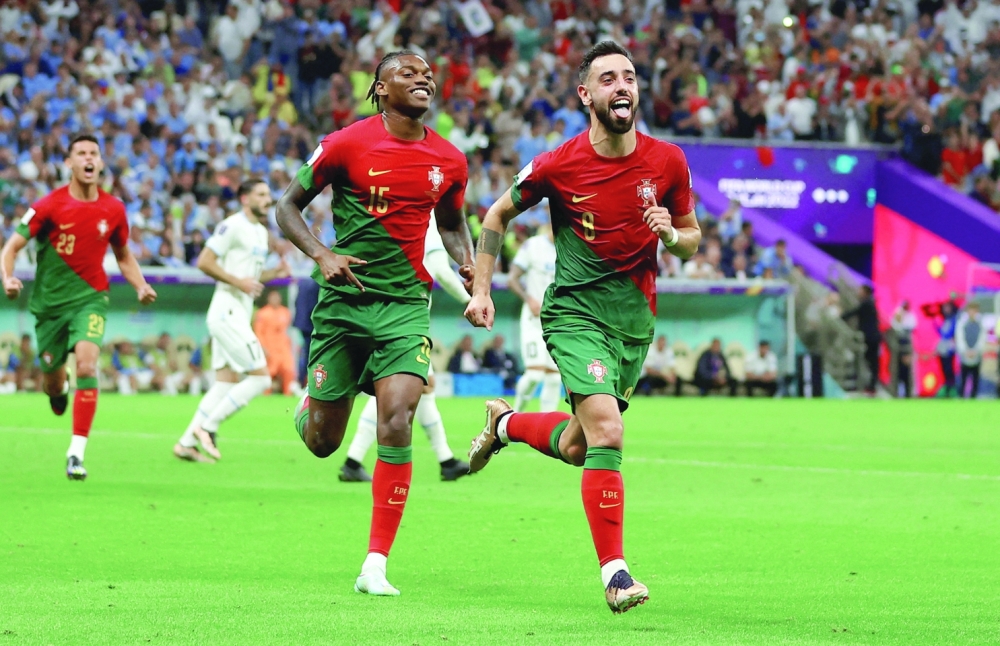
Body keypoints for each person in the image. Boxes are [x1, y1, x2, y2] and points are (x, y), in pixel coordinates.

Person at [463, 42, 700, 614]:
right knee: (608, 434)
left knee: (579, 445)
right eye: (608, 79)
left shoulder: (668, 161)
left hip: (633, 324)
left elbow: (691, 242)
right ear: (586, 95)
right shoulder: (558, 163)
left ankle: (506, 423)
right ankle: (616, 574)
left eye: (630, 77)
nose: (623, 86)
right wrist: (481, 288)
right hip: (574, 314)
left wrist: (671, 235)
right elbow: (495, 214)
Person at [275, 51, 475, 597]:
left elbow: (453, 223)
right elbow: (286, 206)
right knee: (323, 443)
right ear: (381, 89)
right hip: (343, 304)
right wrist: (321, 254)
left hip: (407, 306)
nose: (424, 78)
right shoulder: (345, 144)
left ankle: (375, 565)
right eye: (408, 73)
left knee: (396, 421)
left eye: (428, 72)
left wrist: (467, 263)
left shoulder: (450, 160)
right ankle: (309, 409)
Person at [0, 134, 157, 481]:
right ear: (68, 163)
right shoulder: (47, 206)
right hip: (48, 307)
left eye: (94, 154)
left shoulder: (114, 209)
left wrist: (140, 285)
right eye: (81, 153)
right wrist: (8, 278)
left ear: (100, 163)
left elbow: (123, 255)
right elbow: (9, 247)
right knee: (53, 386)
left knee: (87, 362)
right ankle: (59, 389)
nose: (88, 159)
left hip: (91, 298)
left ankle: (76, 453)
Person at [339, 212, 473, 483]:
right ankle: (354, 460)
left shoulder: (390, 211)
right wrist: (472, 299)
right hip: (405, 322)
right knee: (404, 386)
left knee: (422, 387)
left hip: (381, 314)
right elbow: (441, 272)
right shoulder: (426, 213)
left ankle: (446, 460)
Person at [173, 180, 290, 463]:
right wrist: (239, 282)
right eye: (260, 195)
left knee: (225, 382)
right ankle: (208, 428)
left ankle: (186, 443)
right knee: (259, 377)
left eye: (268, 195)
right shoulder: (232, 225)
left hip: (237, 312)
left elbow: (250, 277)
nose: (267, 199)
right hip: (226, 312)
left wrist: (275, 271)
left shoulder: (261, 233)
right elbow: (204, 261)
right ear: (243, 197)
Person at [507, 225, 562, 412]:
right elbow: (512, 278)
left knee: (554, 378)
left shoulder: (571, 248)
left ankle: (547, 427)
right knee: (534, 375)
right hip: (534, 320)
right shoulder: (533, 246)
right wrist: (528, 298)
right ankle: (514, 415)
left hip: (557, 322)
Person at [254, 289, 297, 395]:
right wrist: (262, 347)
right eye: (273, 297)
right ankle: (266, 394)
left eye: (277, 297)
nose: (275, 300)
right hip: (269, 347)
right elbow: (258, 332)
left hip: (283, 347)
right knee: (269, 372)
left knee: (288, 369)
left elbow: (287, 330)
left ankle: (288, 393)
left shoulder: (285, 312)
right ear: (268, 299)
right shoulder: (262, 313)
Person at [842, 285, 882, 395]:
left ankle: (872, 386)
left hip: (871, 338)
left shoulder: (866, 303)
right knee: (871, 361)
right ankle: (871, 386)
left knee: (872, 362)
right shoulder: (870, 303)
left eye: (860, 290)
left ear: (865, 292)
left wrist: (840, 316)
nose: (858, 292)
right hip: (872, 337)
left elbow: (854, 312)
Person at [955, 302, 986, 398]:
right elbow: (959, 338)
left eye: (974, 310)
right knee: (963, 379)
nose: (972, 312)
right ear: (967, 311)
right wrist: (965, 351)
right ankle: (961, 398)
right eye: (970, 310)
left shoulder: (981, 324)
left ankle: (974, 398)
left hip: (976, 356)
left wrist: (976, 351)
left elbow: (982, 338)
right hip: (965, 356)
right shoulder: (962, 323)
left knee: (975, 379)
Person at [890, 301, 916, 398]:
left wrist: (907, 354)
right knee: (897, 374)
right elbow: (894, 324)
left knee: (907, 373)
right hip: (897, 352)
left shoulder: (910, 319)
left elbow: (910, 328)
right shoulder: (896, 325)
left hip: (906, 350)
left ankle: (908, 394)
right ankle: (897, 393)